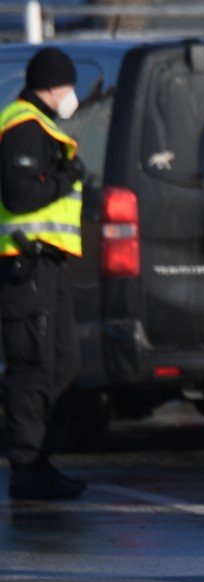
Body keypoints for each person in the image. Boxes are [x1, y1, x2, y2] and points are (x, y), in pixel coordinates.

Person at [0, 47, 86, 501]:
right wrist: (65, 178)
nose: (71, 95)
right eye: (69, 86)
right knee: (32, 366)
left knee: (63, 363)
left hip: (46, 265)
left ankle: (41, 460)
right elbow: (18, 193)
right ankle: (28, 466)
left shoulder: (38, 125)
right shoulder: (24, 127)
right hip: (25, 263)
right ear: (53, 86)